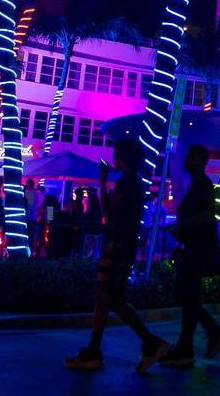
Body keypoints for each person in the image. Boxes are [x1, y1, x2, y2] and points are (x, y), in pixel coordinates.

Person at [65, 139, 169, 372]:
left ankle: (102, 349)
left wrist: (103, 181)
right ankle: (142, 343)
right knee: (113, 299)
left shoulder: (126, 183)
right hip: (125, 245)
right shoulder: (136, 183)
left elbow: (108, 211)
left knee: (106, 295)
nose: (113, 159)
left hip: (117, 245)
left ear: (122, 158)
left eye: (116, 155)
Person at [159, 145, 220, 368]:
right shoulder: (199, 185)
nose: (186, 159)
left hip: (196, 249)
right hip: (193, 248)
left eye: (191, 157)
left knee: (187, 296)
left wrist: (181, 227)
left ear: (200, 161)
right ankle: (196, 341)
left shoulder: (202, 185)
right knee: (187, 297)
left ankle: (194, 342)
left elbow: (207, 216)